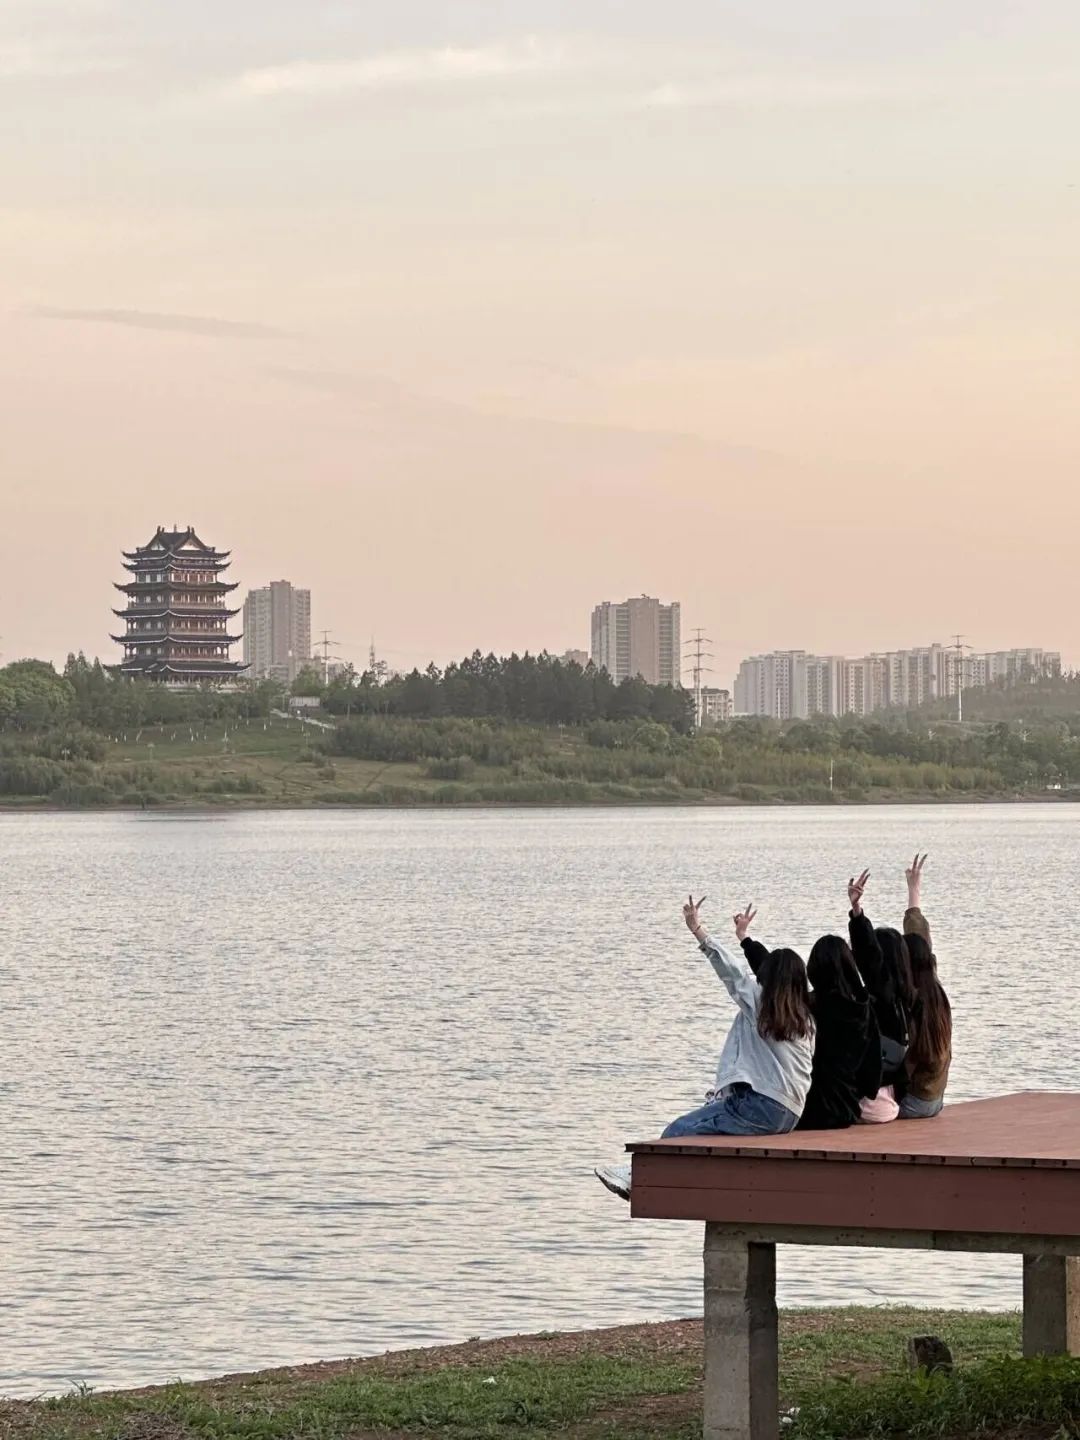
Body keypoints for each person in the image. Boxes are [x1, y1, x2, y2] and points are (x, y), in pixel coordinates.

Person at [595, 896, 815, 1199]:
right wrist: (744, 936)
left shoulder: (760, 1004)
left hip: (763, 1108)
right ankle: (660, 1175)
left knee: (678, 1130)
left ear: (767, 979)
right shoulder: (806, 1019)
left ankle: (638, 1180)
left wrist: (698, 931)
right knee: (710, 1115)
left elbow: (731, 972)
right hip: (791, 1113)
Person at [741, 927, 880, 1132]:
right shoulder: (863, 1012)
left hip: (806, 1111)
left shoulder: (808, 1007)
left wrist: (747, 943)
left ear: (814, 967)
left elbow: (779, 976)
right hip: (845, 1110)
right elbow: (872, 1074)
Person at [847, 866, 916, 1123]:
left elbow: (870, 961)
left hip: (870, 1105)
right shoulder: (910, 995)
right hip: (894, 1101)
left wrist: (857, 914)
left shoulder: (881, 998)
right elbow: (920, 943)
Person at [898, 854, 951, 1118]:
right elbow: (919, 942)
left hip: (913, 1102)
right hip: (935, 1099)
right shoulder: (935, 992)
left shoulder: (912, 1000)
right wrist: (914, 892)